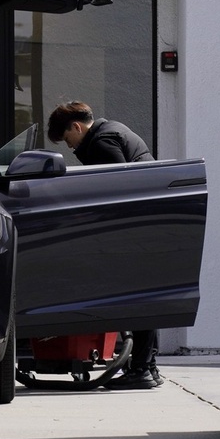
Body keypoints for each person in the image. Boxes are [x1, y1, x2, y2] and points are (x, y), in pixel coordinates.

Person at [46, 100, 163, 390]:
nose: (70, 147)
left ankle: (141, 370)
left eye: (67, 139)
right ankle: (148, 367)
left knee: (137, 296)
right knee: (145, 294)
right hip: (148, 222)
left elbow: (114, 188)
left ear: (76, 126)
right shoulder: (114, 129)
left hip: (133, 228)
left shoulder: (100, 142)